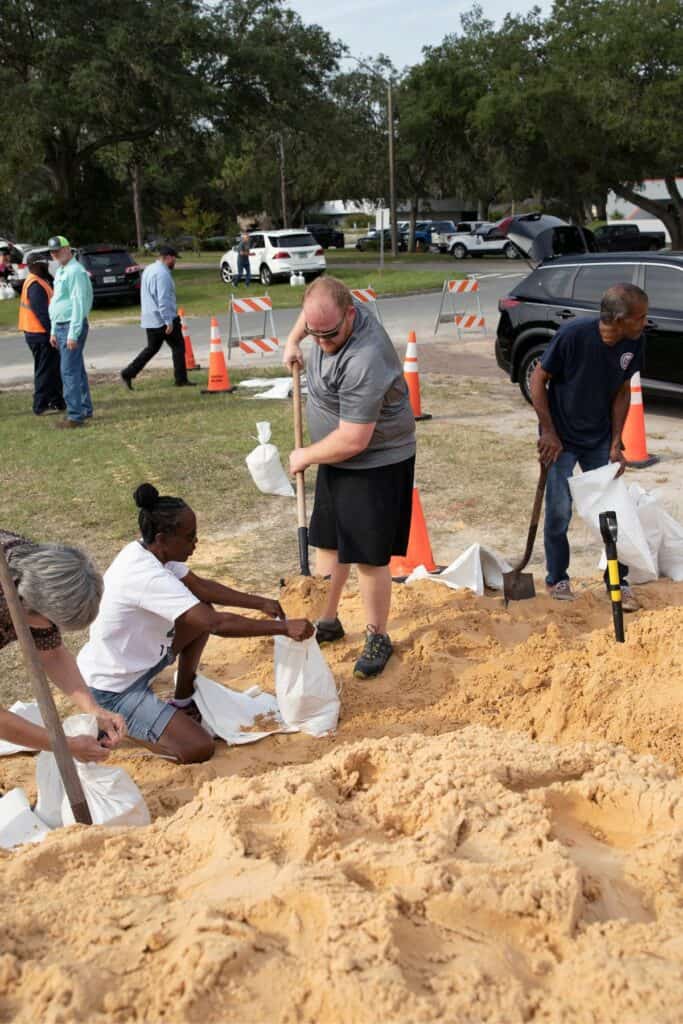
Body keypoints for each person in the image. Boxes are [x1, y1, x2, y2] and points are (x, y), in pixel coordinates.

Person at [79, 484, 314, 764]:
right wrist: (284, 628)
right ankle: (119, 727)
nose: (196, 543)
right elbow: (215, 624)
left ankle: (182, 700)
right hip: (113, 690)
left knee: (199, 611)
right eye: (189, 537)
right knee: (197, 747)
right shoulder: (146, 575)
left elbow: (202, 588)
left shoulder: (150, 552)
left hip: (138, 665)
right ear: (163, 538)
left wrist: (258, 602)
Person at [283, 275, 416, 679]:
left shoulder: (367, 356)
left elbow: (355, 439)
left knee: (367, 556)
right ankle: (327, 619)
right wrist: (293, 341)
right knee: (329, 540)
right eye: (315, 333)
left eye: (329, 335)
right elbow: (311, 321)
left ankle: (378, 635)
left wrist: (306, 455)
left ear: (351, 316)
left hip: (376, 459)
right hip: (334, 453)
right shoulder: (328, 313)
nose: (321, 343)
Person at [530, 282, 649, 611]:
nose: (645, 323)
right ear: (620, 318)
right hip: (562, 439)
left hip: (599, 439)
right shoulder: (573, 336)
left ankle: (617, 580)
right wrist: (548, 432)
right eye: (640, 317)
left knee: (612, 512)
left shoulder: (634, 343)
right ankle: (557, 576)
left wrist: (616, 441)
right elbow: (538, 379)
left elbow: (623, 391)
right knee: (558, 513)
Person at [0, 530, 126, 761]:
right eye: (54, 623)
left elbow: (52, 652)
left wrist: (93, 709)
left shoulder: (37, 572)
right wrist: (64, 745)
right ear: (26, 604)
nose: (53, 630)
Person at [120, 245, 193, 389]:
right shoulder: (163, 274)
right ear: (168, 257)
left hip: (150, 318)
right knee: (178, 347)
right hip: (163, 319)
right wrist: (168, 321)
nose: (175, 262)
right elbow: (163, 299)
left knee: (151, 349)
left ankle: (128, 372)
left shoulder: (149, 269)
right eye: (174, 259)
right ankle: (181, 380)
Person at [47, 235, 94, 429]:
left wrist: (72, 334)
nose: (55, 254)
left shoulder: (75, 271)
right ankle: (84, 408)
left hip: (70, 327)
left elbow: (78, 304)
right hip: (60, 326)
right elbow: (58, 301)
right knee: (76, 370)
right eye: (52, 251)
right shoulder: (61, 271)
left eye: (58, 250)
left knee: (68, 372)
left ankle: (75, 416)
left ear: (68, 249)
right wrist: (52, 330)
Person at [18, 252, 65, 416]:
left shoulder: (38, 280)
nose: (47, 266)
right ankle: (40, 405)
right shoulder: (35, 285)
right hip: (40, 334)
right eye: (45, 263)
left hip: (37, 333)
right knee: (44, 370)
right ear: (36, 265)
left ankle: (57, 401)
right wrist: (54, 333)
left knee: (51, 369)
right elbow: (42, 314)